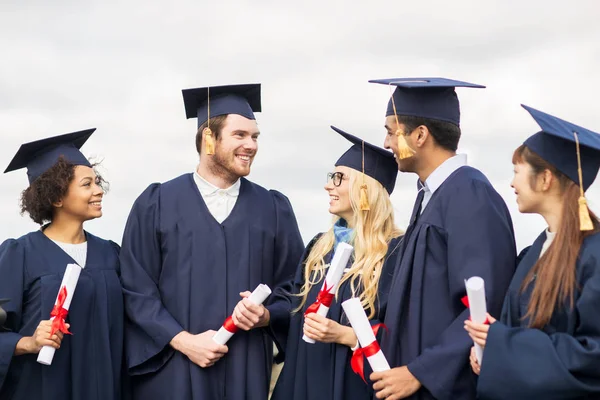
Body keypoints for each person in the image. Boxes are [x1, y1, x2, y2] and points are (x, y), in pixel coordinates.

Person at [120, 84, 305, 400]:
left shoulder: (273, 209)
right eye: (240, 135)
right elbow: (136, 289)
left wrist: (267, 315)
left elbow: (296, 287)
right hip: (172, 369)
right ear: (209, 139)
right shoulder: (157, 204)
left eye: (255, 136)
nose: (251, 145)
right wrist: (182, 340)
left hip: (245, 370)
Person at [368, 77, 517, 400]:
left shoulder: (470, 195)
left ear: (420, 135)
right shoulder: (432, 197)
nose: (386, 142)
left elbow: (483, 303)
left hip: (444, 388)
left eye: (392, 131)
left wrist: (421, 371)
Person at [465, 105, 600, 399]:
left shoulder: (594, 255)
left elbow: (593, 355)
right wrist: (492, 353)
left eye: (517, 172)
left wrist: (503, 345)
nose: (512, 183)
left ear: (545, 178)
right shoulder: (533, 253)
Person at [272, 126, 403, 400]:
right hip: (306, 381)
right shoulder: (319, 248)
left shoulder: (396, 252)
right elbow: (296, 327)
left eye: (339, 178)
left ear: (364, 189)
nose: (328, 185)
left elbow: (404, 331)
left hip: (357, 386)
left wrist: (345, 335)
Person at [0, 130, 125, 400]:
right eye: (87, 184)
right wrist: (26, 342)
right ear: (56, 197)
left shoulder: (111, 254)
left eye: (97, 182)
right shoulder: (19, 254)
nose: (99, 190)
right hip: (42, 389)